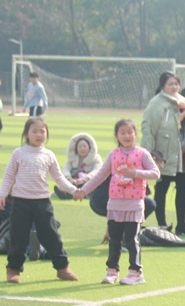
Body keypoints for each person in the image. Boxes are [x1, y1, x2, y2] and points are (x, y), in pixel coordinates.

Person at [77, 119, 160, 285]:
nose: (127, 136)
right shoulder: (113, 154)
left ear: (135, 134)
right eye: (123, 133)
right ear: (117, 136)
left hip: (134, 204)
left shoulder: (142, 153)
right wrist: (83, 190)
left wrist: (136, 173)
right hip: (115, 203)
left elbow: (155, 173)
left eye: (130, 132)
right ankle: (112, 271)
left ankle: (136, 272)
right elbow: (100, 175)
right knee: (114, 240)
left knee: (131, 240)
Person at [1, 117, 78, 283]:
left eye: (42, 131)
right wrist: (2, 194)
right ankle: (13, 270)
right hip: (20, 202)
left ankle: (62, 268)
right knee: (18, 237)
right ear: (26, 134)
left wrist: (74, 190)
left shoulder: (49, 155)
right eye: (34, 131)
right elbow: (8, 176)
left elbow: (59, 178)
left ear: (47, 134)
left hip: (42, 202)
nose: (38, 135)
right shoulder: (18, 153)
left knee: (51, 236)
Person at [141, 72, 185, 236]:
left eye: (176, 84)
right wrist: (148, 156)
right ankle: (162, 225)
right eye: (170, 84)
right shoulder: (156, 104)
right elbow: (149, 130)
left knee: (183, 187)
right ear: (163, 86)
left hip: (182, 152)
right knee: (162, 187)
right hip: (163, 153)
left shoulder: (183, 102)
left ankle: (181, 225)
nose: (174, 87)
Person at [54, 133, 103, 199]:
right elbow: (66, 169)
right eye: (80, 147)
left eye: (84, 146)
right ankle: (67, 192)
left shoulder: (96, 158)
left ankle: (69, 193)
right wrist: (69, 178)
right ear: (76, 148)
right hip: (74, 181)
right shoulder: (72, 159)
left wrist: (85, 179)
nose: (82, 149)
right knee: (69, 183)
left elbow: (97, 170)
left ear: (89, 147)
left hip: (88, 182)